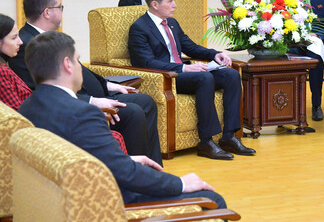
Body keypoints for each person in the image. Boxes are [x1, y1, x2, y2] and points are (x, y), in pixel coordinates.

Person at [19, 31, 225, 208]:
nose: (80, 67)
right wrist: (180, 183)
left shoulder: (27, 108)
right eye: (78, 60)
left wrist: (126, 159)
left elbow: (75, 158)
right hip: (102, 202)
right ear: (67, 65)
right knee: (212, 199)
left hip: (60, 197)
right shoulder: (83, 114)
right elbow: (126, 175)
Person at [8, 0, 162, 164]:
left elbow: (81, 68)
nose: (62, 12)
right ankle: (139, 173)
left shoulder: (50, 36)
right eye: (60, 7)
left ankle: (152, 166)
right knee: (133, 112)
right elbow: (41, 89)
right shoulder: (27, 43)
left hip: (96, 93)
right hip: (79, 102)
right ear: (47, 12)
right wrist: (92, 101)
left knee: (146, 101)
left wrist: (108, 84)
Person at [128, 0, 255, 160]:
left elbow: (191, 47)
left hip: (186, 72)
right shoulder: (139, 28)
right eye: (170, 1)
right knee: (204, 78)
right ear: (155, 4)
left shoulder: (172, 23)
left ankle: (229, 137)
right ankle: (206, 142)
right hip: (168, 77)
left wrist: (215, 54)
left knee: (231, 74)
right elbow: (147, 63)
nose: (175, 5)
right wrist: (184, 68)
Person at [0, 13, 129, 152]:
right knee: (115, 137)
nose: (20, 41)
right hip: (38, 134)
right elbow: (18, 119)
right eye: (14, 38)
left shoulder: (4, 66)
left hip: (41, 124)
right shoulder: (1, 73)